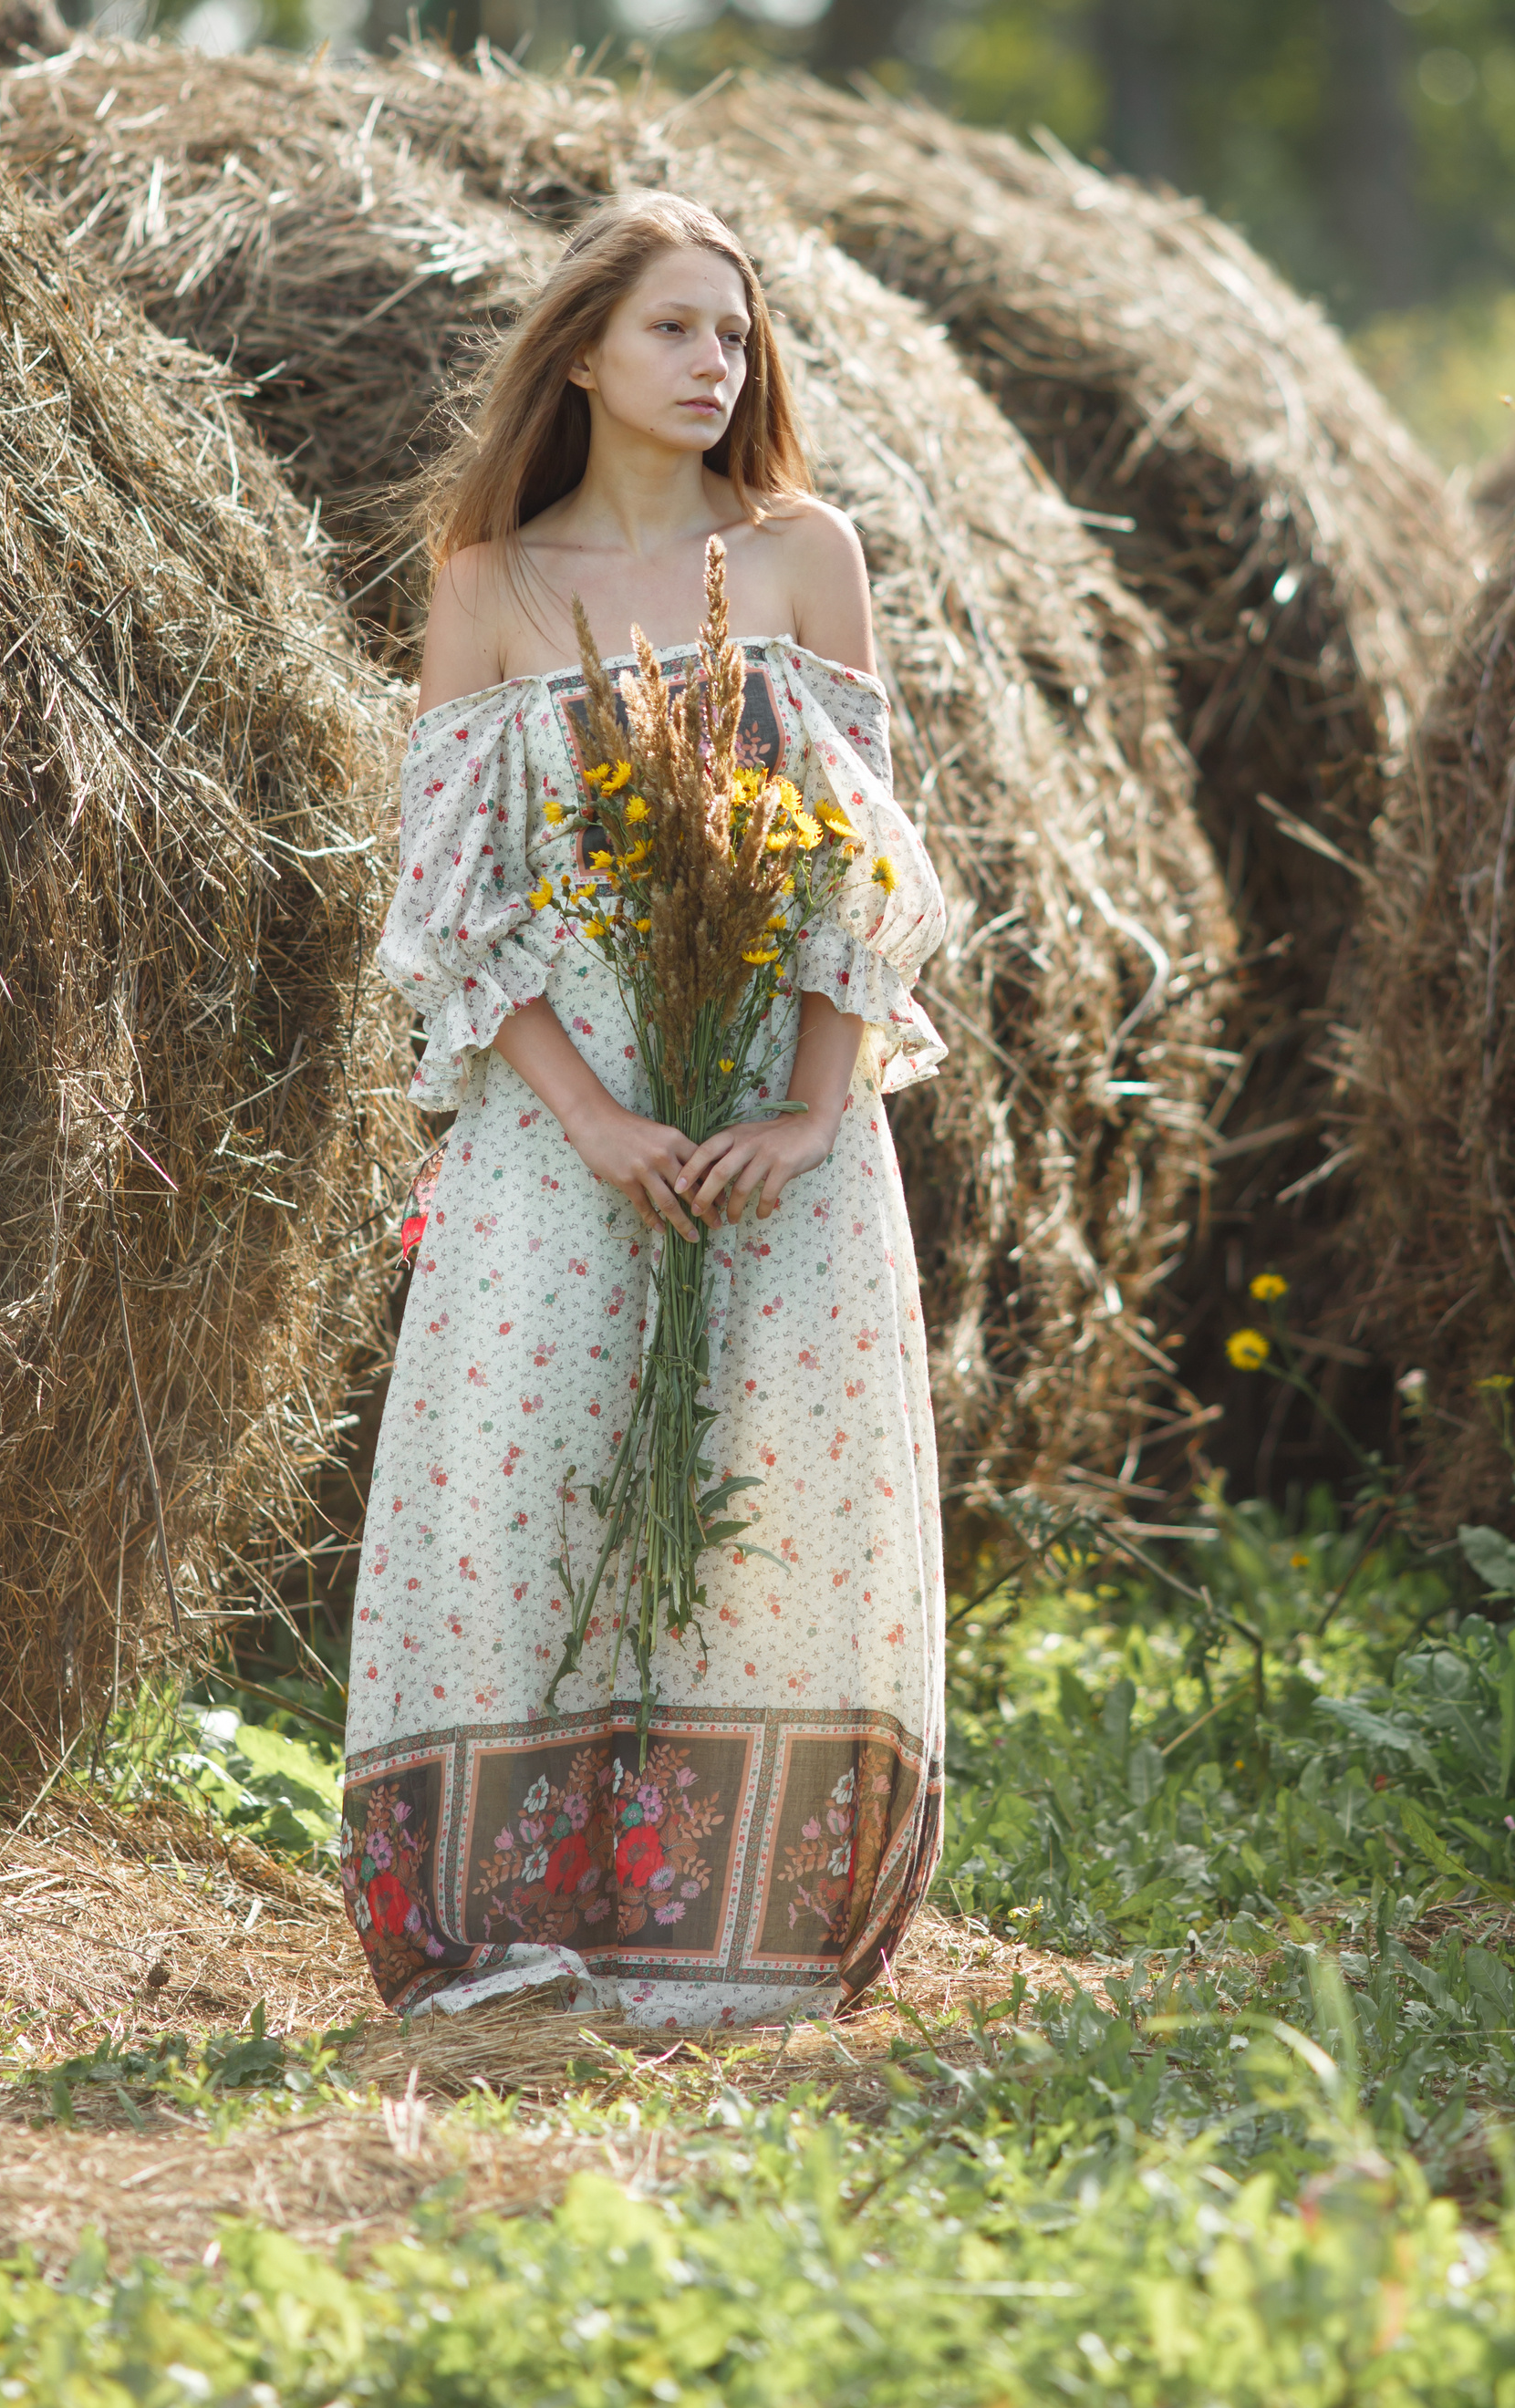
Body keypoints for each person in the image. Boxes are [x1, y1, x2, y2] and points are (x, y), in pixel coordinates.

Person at [340, 190, 949, 2029]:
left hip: (775, 1122)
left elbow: (866, 869)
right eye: (678, 330)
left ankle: (750, 1931)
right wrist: (593, 1120)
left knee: (764, 1493)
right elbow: (453, 901)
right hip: (560, 1133)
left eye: (736, 336)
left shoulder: (798, 559)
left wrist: (806, 1115)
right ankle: (506, 1930)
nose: (716, 365)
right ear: (583, 353)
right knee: (533, 1492)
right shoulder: (488, 587)